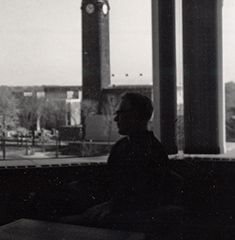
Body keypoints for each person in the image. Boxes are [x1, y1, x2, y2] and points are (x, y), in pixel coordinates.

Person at [61, 91, 170, 228]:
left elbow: (147, 195)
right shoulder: (124, 146)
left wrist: (112, 205)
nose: (116, 119)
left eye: (120, 113)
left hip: (124, 212)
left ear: (135, 115)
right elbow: (110, 179)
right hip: (114, 205)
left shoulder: (151, 151)